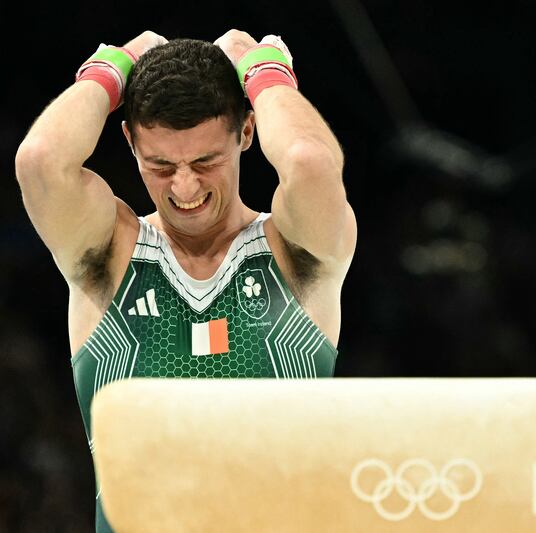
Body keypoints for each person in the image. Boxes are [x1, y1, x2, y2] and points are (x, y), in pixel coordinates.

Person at [14, 29, 357, 531]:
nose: (185, 186)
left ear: (245, 132)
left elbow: (309, 161)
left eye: (205, 161)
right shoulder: (110, 254)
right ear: (129, 140)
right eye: (161, 165)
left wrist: (260, 67)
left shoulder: (296, 253)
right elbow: (41, 160)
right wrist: (118, 60)